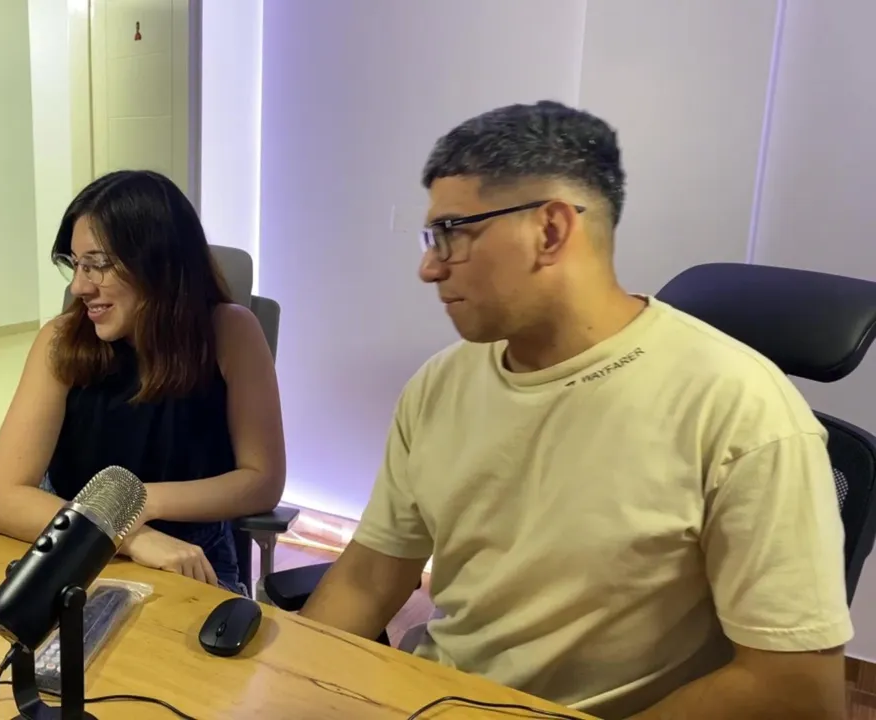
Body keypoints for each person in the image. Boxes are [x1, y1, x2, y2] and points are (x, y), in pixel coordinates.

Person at [299, 101, 850, 719]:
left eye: (451, 232)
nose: (429, 267)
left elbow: (795, 687)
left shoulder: (739, 409)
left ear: (551, 230)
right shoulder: (441, 384)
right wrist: (287, 688)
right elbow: (370, 577)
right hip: (438, 700)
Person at [0, 170, 286, 594]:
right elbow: (0, 496)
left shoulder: (231, 332)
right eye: (76, 264)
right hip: (76, 546)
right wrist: (127, 534)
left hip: (194, 558)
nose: (79, 286)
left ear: (158, 262)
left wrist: (137, 502)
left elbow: (263, 481)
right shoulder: (61, 340)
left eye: (97, 265)